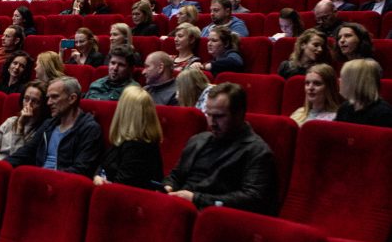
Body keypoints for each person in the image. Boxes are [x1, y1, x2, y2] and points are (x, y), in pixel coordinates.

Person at [164, 83, 277, 214]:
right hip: (179, 209)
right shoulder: (197, 140)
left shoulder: (257, 151)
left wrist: (196, 199)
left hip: (214, 218)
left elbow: (253, 200)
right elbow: (176, 175)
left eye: (219, 116)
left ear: (239, 114)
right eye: (208, 114)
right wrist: (169, 187)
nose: (212, 123)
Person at [7, 76, 104, 176]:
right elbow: (25, 153)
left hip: (62, 185)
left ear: (72, 98)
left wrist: (43, 178)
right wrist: (1, 167)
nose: (48, 103)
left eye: (54, 97)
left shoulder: (89, 129)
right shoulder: (49, 124)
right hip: (39, 181)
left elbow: (81, 170)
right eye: (48, 98)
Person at [94, 86, 164, 189]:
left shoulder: (138, 148)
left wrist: (102, 183)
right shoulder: (124, 139)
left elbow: (121, 189)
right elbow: (103, 164)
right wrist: (97, 176)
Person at [0, 81, 49, 161]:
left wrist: (20, 126)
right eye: (26, 99)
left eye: (35, 101)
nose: (28, 105)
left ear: (43, 105)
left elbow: (18, 159)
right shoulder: (10, 122)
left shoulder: (42, 131)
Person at [335, 59, 392, 128]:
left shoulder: (383, 113)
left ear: (357, 82)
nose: (339, 81)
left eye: (343, 77)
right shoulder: (344, 108)